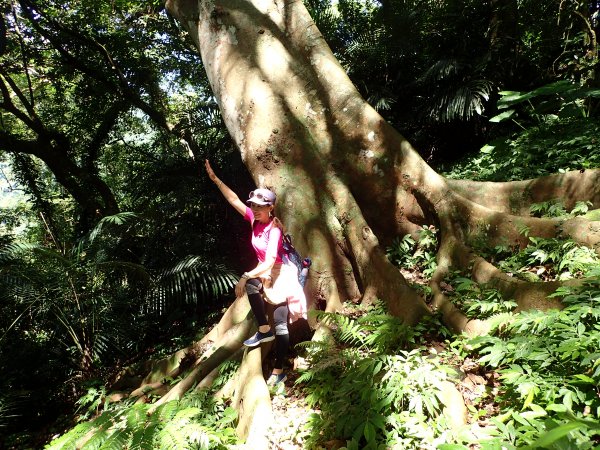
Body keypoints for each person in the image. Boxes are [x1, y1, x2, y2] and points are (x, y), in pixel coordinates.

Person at [204, 159, 307, 386]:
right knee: (253, 288)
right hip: (265, 271)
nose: (255, 209)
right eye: (254, 206)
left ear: (271, 208)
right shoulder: (254, 220)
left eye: (260, 206)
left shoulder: (274, 230)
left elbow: (270, 261)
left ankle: (279, 369)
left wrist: (246, 275)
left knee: (281, 323)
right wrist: (215, 179)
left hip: (280, 273)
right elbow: (234, 200)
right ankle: (263, 329)